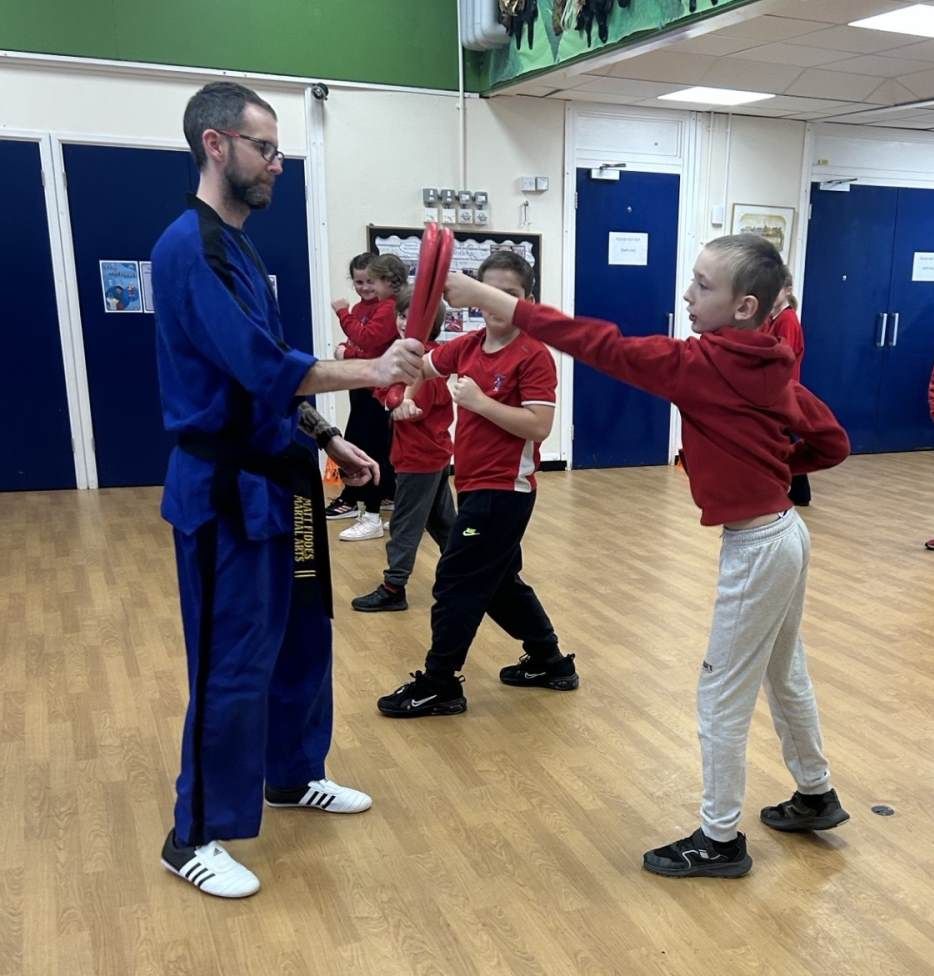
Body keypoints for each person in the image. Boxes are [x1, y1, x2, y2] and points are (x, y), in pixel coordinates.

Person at [445, 235, 850, 878]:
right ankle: (816, 793)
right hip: (785, 534)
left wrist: (492, 299)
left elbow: (594, 342)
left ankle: (720, 840)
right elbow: (831, 441)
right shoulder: (772, 361)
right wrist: (771, 469)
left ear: (744, 306)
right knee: (784, 670)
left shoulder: (699, 364)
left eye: (703, 285)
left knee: (721, 695)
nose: (687, 295)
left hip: (758, 548)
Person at [151, 81, 423, 898]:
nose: (276, 164)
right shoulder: (191, 248)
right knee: (231, 662)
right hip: (224, 492)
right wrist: (372, 370)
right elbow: (261, 365)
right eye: (265, 148)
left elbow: (268, 380)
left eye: (279, 150)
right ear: (216, 145)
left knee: (303, 638)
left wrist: (328, 437)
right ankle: (192, 834)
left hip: (283, 482)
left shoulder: (241, 248)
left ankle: (293, 773)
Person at [377, 251, 578, 719]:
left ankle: (440, 684)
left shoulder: (533, 355)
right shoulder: (467, 346)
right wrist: (405, 396)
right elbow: (423, 366)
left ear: (528, 301)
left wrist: (481, 402)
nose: (498, 302)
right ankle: (550, 661)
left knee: (455, 580)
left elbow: (539, 426)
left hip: (503, 491)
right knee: (500, 583)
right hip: (471, 483)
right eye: (490, 292)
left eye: (510, 294)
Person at [352, 289, 455, 612]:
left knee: (405, 524)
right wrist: (390, 397)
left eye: (413, 319)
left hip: (421, 458)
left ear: (431, 324)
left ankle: (393, 588)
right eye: (401, 315)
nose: (403, 323)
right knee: (442, 522)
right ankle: (469, 573)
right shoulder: (406, 357)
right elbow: (384, 389)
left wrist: (401, 405)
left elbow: (415, 401)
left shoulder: (427, 364)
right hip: (428, 454)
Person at [332, 253, 407, 541]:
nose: (367, 287)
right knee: (367, 445)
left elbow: (369, 342)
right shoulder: (371, 307)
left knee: (370, 449)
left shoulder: (388, 307)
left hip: (379, 390)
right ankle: (378, 504)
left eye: (372, 281)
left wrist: (342, 316)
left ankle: (370, 513)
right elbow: (362, 342)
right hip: (364, 386)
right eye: (360, 282)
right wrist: (348, 349)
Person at [762, 267, 810, 506]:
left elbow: (783, 356)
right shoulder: (772, 318)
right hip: (775, 389)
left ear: (787, 290)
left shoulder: (787, 320)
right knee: (782, 437)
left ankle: (799, 490)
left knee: (786, 438)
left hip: (783, 389)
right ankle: (794, 489)